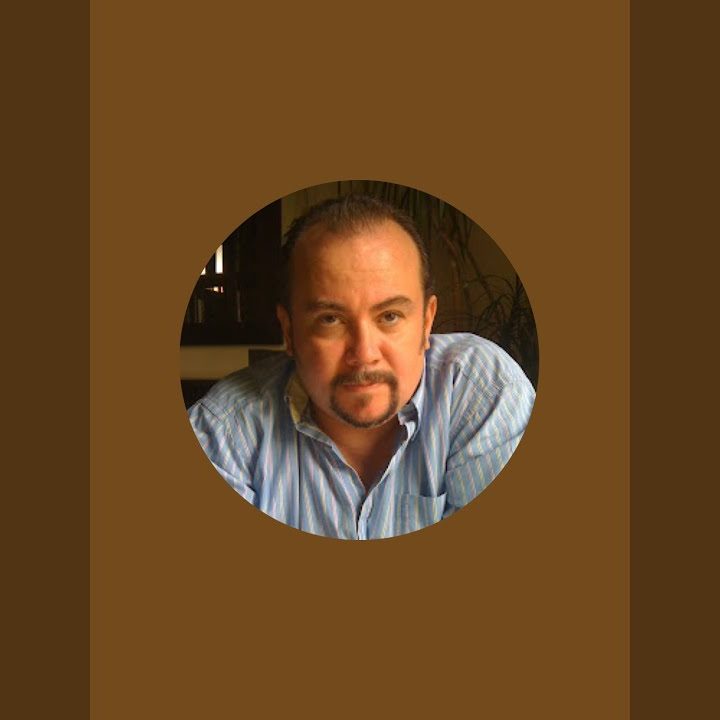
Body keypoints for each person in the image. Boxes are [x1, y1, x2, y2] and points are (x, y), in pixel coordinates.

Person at [188, 194, 535, 540]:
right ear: (289, 332)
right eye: (330, 319)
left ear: (426, 323)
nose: (365, 353)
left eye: (390, 316)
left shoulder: (484, 391)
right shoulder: (223, 433)